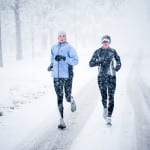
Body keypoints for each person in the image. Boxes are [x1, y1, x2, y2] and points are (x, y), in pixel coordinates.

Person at [48, 31, 79, 129]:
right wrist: (51, 66)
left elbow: (75, 61)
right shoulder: (53, 47)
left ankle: (71, 99)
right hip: (56, 76)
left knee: (67, 96)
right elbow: (52, 59)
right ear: (57, 37)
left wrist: (64, 58)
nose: (62, 37)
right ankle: (61, 120)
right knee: (59, 97)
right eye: (60, 36)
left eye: (64, 36)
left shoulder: (70, 48)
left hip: (67, 75)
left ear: (66, 37)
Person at [89, 35, 121, 126]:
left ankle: (109, 118)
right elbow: (90, 63)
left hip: (111, 77)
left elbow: (118, 61)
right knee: (104, 96)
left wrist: (117, 67)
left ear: (109, 42)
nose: (105, 43)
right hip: (101, 77)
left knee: (111, 97)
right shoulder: (98, 52)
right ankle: (105, 108)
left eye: (107, 41)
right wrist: (99, 61)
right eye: (103, 41)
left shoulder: (113, 51)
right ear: (101, 42)